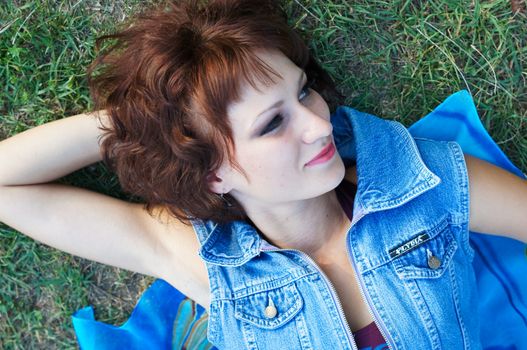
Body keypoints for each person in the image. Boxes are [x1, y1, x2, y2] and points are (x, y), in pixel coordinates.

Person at [0, 0, 526, 348]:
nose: (319, 125)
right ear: (212, 174)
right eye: (273, 123)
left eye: (301, 93)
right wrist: (140, 123)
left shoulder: (422, 184)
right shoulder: (203, 264)